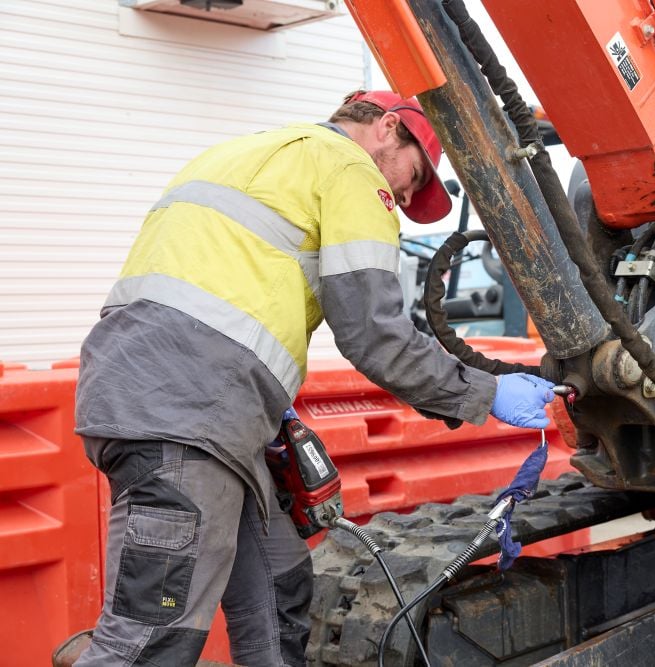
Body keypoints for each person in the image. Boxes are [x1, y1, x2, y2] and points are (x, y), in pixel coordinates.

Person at [68, 90, 555, 666]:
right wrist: (487, 391)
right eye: (411, 177)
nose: (399, 197)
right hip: (188, 415)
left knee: (280, 579)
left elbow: (223, 287)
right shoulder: (348, 167)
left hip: (186, 399)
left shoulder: (247, 153)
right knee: (152, 641)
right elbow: (375, 336)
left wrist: (268, 406)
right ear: (388, 129)